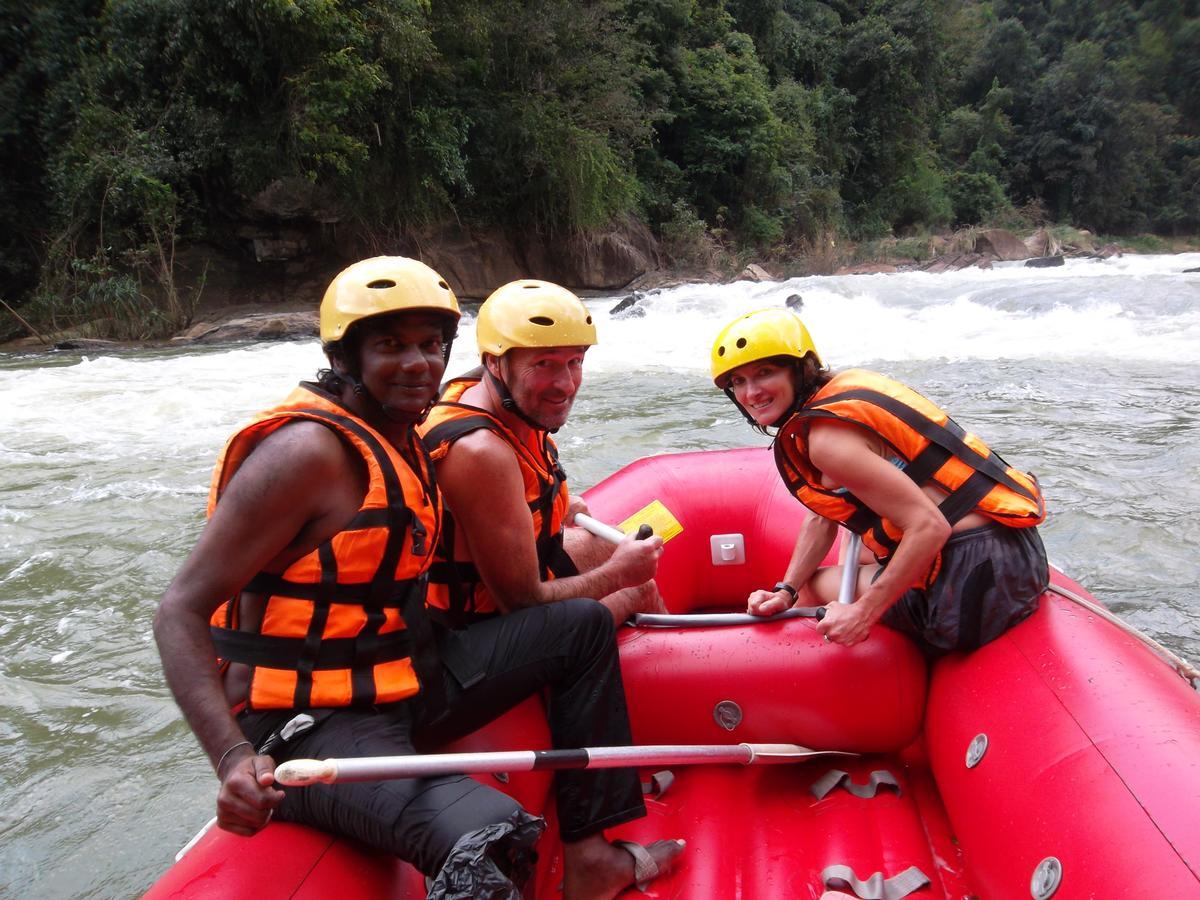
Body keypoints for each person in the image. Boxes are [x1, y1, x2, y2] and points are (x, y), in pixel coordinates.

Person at [154, 257, 682, 900]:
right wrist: (234, 758)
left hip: (402, 676)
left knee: (582, 626)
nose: (417, 363)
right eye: (391, 345)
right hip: (310, 720)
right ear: (346, 357)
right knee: (485, 836)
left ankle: (591, 859)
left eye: (431, 345)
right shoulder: (305, 454)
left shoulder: (405, 429)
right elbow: (178, 610)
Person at [710, 307, 1048, 656]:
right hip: (1016, 552)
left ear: (799, 370)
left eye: (764, 373)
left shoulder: (826, 441)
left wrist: (861, 612)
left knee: (815, 585)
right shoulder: (842, 396)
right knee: (859, 556)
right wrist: (785, 590)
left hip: (970, 583)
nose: (751, 393)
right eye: (738, 381)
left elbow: (929, 526)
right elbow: (822, 516)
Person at [419, 279, 667, 628]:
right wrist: (618, 575)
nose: (565, 384)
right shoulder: (479, 452)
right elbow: (520, 603)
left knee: (605, 543)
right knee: (641, 587)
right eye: (544, 364)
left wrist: (562, 504)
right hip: (479, 633)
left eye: (574, 362)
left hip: (500, 594)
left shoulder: (495, 398)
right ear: (494, 363)